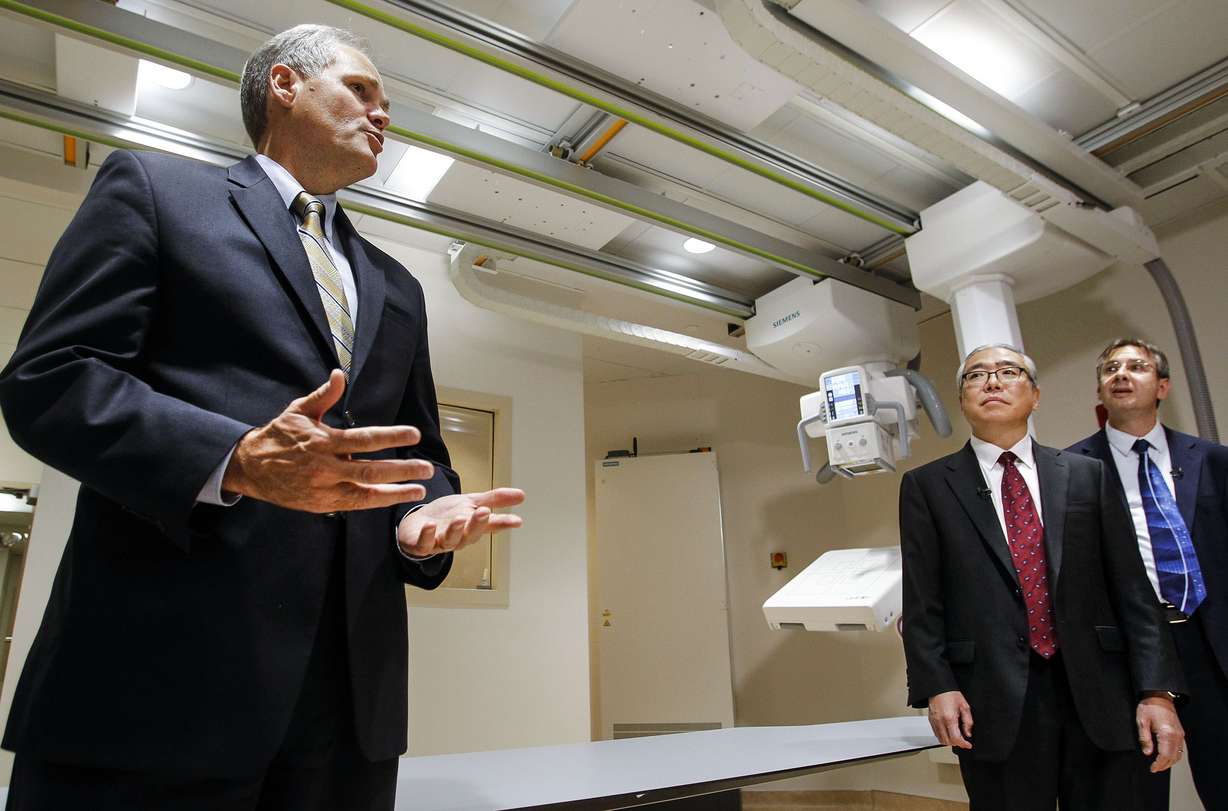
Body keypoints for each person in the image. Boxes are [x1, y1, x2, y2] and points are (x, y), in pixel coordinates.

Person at [0, 25, 524, 811]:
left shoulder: (397, 285)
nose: (383, 115)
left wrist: (423, 514)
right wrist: (235, 456)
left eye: (387, 104)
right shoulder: (154, 191)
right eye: (361, 90)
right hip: (158, 691)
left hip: (347, 715)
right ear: (284, 85)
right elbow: (51, 379)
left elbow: (421, 452)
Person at [899, 343, 1185, 811]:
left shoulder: (1086, 475)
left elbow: (1133, 589)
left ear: (1035, 396)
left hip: (1098, 691)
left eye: (1007, 372)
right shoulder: (927, 486)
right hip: (991, 697)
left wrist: (1157, 691)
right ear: (962, 399)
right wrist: (937, 685)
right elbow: (922, 600)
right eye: (976, 375)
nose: (992, 381)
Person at [1068, 338, 1228, 811]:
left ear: (1162, 386)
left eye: (1136, 367)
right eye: (1110, 368)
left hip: (1210, 644)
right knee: (1136, 790)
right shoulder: (1071, 471)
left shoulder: (1213, 460)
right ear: (1100, 390)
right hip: (1129, 652)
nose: (1121, 374)